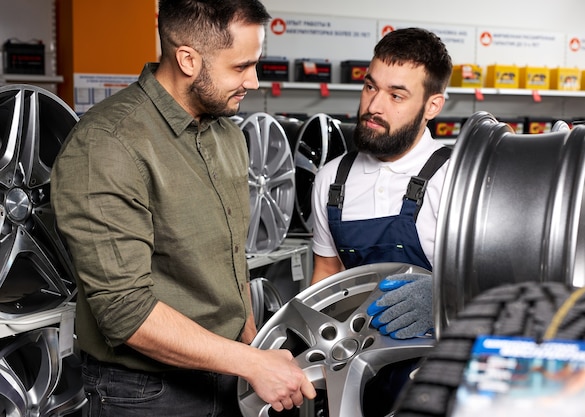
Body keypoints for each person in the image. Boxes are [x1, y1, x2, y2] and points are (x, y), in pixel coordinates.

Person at [50, 1, 315, 416]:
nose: (254, 80)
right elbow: (124, 311)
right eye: (241, 67)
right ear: (188, 59)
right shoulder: (108, 144)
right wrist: (251, 362)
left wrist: (250, 341)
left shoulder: (227, 134)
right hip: (146, 393)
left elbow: (230, 258)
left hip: (229, 373)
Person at [310, 27, 453, 415]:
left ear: (432, 105)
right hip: (359, 371)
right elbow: (326, 276)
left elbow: (502, 284)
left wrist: (443, 300)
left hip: (441, 376)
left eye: (396, 95)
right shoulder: (331, 179)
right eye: (370, 87)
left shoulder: (458, 179)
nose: (375, 106)